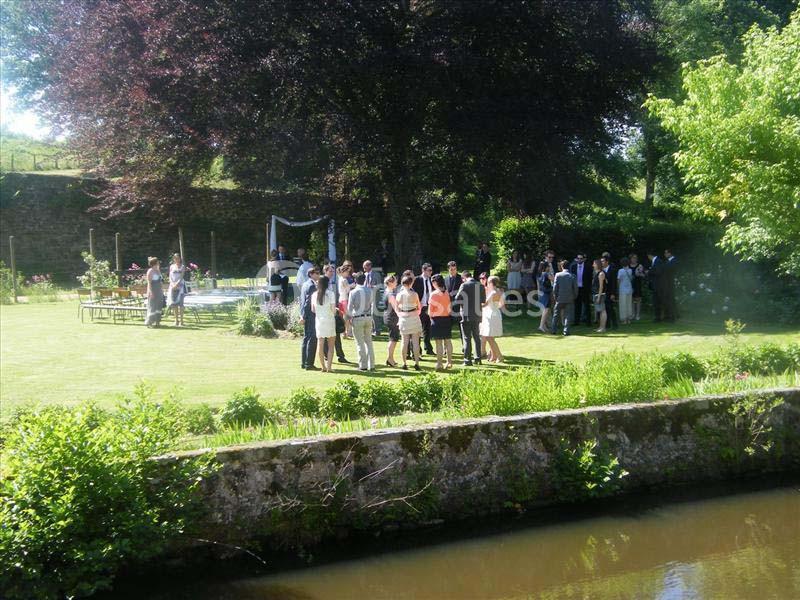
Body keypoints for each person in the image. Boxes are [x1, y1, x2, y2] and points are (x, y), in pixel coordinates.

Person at [347, 272, 376, 371]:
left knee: (360, 343)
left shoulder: (353, 292)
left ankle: (363, 365)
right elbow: (372, 305)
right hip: (368, 317)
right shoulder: (370, 291)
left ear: (356, 280)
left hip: (358, 317)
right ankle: (371, 364)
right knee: (369, 342)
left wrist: (349, 319)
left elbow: (350, 308)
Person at [456, 271, 485, 366]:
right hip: (477, 314)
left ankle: (467, 360)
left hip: (466, 314)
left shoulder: (464, 285)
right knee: (477, 337)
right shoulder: (480, 285)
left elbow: (457, 298)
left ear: (463, 278)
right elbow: (483, 300)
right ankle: (478, 358)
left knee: (466, 338)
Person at [323, 264, 350, 364]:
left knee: (336, 334)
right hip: (327, 312)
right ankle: (329, 355)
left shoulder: (329, 282)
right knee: (328, 336)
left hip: (332, 310)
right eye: (330, 271)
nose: (332, 273)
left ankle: (340, 355)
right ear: (325, 271)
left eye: (332, 271)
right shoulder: (324, 281)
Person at [311, 274, 337, 373]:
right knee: (331, 345)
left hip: (319, 321)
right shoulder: (330, 294)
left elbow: (313, 309)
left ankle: (323, 367)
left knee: (320, 344)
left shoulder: (314, 295)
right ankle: (329, 367)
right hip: (329, 320)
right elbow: (333, 310)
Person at [396, 275, 422, 370]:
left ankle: (404, 363)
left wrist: (401, 314)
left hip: (404, 318)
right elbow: (419, 307)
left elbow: (397, 307)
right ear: (411, 283)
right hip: (414, 317)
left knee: (404, 341)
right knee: (415, 342)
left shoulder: (400, 294)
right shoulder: (414, 294)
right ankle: (417, 363)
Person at [429, 275, 454, 371]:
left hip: (437, 319)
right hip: (447, 318)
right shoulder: (447, 293)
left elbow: (430, 311)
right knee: (448, 341)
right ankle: (449, 361)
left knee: (438, 343)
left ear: (435, 283)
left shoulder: (434, 294)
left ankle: (439, 363)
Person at [480, 275, 504, 363]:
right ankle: (494, 356)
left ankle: (499, 356)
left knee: (489, 337)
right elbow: (502, 304)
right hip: (496, 313)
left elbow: (485, 304)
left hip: (490, 315)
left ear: (491, 283)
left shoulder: (492, 293)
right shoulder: (499, 291)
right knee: (490, 336)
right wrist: (495, 307)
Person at [412, 263, 435, 355]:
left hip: (429, 307)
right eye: (429, 270)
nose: (430, 272)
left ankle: (428, 348)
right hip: (419, 307)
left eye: (431, 270)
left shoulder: (431, 280)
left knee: (428, 328)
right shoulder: (417, 280)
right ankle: (418, 349)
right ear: (423, 270)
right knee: (418, 329)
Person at [299, 267, 319, 370]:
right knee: (312, 339)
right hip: (310, 315)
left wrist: (301, 315)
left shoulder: (305, 284)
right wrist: (304, 316)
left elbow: (301, 302)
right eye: (316, 273)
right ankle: (309, 364)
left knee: (306, 338)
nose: (318, 274)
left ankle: (304, 363)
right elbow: (307, 303)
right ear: (311, 274)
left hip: (306, 314)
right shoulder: (311, 286)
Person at [552, 260, 578, 336]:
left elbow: (555, 288)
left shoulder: (558, 275)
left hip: (559, 298)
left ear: (562, 266)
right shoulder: (573, 276)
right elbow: (575, 288)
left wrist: (555, 296)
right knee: (568, 315)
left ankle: (553, 330)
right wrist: (574, 296)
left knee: (556, 314)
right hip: (570, 298)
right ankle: (566, 331)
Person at [382, 275, 401, 367]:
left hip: (388, 316)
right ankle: (390, 358)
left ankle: (390, 358)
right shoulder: (390, 294)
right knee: (393, 339)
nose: (396, 283)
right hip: (392, 318)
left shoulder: (386, 291)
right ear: (390, 283)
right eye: (395, 282)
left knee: (392, 338)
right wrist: (401, 318)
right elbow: (396, 309)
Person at [570, 252, 592, 326]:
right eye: (578, 258)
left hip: (585, 288)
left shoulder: (588, 267)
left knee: (587, 305)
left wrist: (589, 288)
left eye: (581, 258)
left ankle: (588, 322)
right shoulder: (573, 267)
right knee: (577, 305)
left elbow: (590, 278)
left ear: (584, 259)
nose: (579, 260)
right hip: (576, 289)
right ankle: (576, 322)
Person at [168, 253, 187, 327]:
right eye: (175, 258)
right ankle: (176, 320)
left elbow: (181, 277)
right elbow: (170, 277)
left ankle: (182, 321)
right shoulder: (172, 266)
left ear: (180, 259)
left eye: (178, 258)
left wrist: (177, 284)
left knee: (181, 304)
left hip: (180, 287)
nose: (176, 259)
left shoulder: (182, 267)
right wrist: (172, 284)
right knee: (174, 304)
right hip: (172, 287)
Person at [145, 256, 164, 327]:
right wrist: (151, 292)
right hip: (153, 290)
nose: (158, 263)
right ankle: (149, 322)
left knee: (159, 305)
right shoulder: (150, 271)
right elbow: (149, 283)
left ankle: (157, 321)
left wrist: (162, 289)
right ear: (154, 263)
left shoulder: (158, 270)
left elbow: (161, 280)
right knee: (152, 306)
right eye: (157, 262)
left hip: (159, 290)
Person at [601, 253, 618, 330]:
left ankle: (615, 325)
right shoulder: (601, 270)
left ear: (607, 262)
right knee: (605, 309)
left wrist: (613, 294)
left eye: (603, 261)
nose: (601, 263)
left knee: (611, 308)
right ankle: (607, 324)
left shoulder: (612, 270)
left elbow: (614, 283)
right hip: (603, 292)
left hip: (610, 292)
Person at [537, 260, 554, 333]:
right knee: (546, 310)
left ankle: (543, 326)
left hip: (541, 293)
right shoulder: (546, 274)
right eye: (549, 266)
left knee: (545, 309)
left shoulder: (539, 274)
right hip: (546, 293)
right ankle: (541, 326)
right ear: (546, 267)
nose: (549, 267)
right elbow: (553, 279)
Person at [337, 264, 354, 338]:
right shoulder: (344, 280)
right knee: (346, 317)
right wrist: (352, 285)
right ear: (343, 272)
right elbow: (347, 289)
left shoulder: (340, 278)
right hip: (345, 299)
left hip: (341, 299)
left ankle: (344, 332)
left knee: (343, 316)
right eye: (347, 272)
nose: (348, 273)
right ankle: (347, 332)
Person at [647, 251, 664, 322]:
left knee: (657, 301)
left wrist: (649, 271)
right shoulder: (656, 261)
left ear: (649, 255)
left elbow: (658, 272)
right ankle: (657, 317)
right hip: (655, 285)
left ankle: (658, 317)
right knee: (656, 301)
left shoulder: (658, 261)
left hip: (658, 285)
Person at [617, 256, 634, 324]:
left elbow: (618, 280)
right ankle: (629, 319)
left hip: (622, 289)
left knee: (623, 304)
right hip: (629, 289)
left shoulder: (620, 271)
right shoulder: (630, 270)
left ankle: (624, 319)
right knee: (629, 304)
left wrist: (617, 289)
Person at [592, 259, 607, 333]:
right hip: (596, 294)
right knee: (600, 311)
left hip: (600, 294)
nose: (593, 265)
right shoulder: (596, 273)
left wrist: (599, 297)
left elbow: (601, 286)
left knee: (602, 311)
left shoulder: (601, 273)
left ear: (597, 265)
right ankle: (600, 327)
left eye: (594, 264)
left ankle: (603, 328)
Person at [630, 253, 645, 321]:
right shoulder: (628, 266)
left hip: (637, 284)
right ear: (630, 259)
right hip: (630, 285)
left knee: (638, 300)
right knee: (632, 300)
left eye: (635, 258)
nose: (634, 259)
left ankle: (638, 315)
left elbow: (643, 275)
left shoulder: (640, 266)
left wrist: (639, 273)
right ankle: (633, 314)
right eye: (633, 258)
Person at [664, 249, 678, 322]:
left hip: (672, 282)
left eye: (666, 253)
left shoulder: (674, 261)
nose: (665, 254)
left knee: (671, 299)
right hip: (668, 282)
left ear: (670, 253)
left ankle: (673, 316)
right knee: (669, 299)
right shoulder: (667, 261)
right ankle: (670, 315)